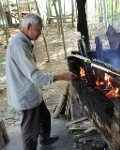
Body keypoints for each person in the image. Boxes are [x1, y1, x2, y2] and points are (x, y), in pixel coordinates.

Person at [6, 13, 77, 150]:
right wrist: (62, 76)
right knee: (29, 129)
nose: (40, 33)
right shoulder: (19, 47)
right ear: (28, 27)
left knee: (44, 116)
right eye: (38, 30)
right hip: (25, 94)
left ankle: (44, 138)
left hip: (31, 91)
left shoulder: (23, 42)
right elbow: (36, 76)